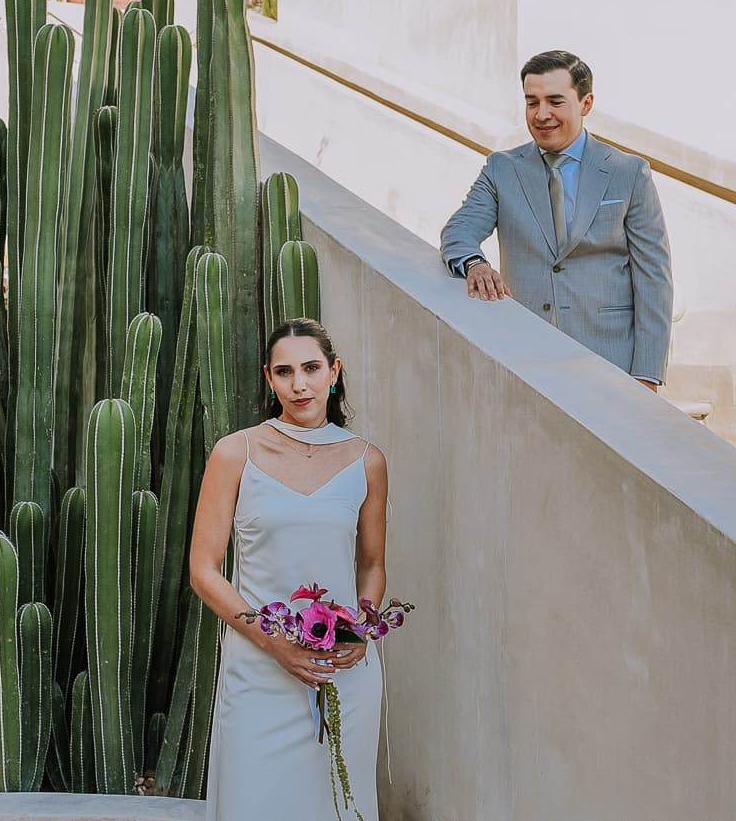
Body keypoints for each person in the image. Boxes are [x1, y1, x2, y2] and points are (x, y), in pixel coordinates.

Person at [190, 318, 388, 821]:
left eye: (311, 368)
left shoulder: (367, 461)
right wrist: (273, 641)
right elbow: (204, 570)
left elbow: (372, 565)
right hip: (258, 669)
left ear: (333, 373)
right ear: (269, 379)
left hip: (341, 673)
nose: (299, 384)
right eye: (285, 372)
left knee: (336, 806)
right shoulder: (236, 453)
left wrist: (361, 629)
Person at [440, 50, 673, 388]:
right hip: (527, 357)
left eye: (555, 101)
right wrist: (475, 263)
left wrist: (647, 374)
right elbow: (458, 229)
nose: (542, 114)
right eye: (531, 102)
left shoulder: (629, 173)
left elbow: (654, 277)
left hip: (610, 362)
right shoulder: (502, 168)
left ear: (586, 103)